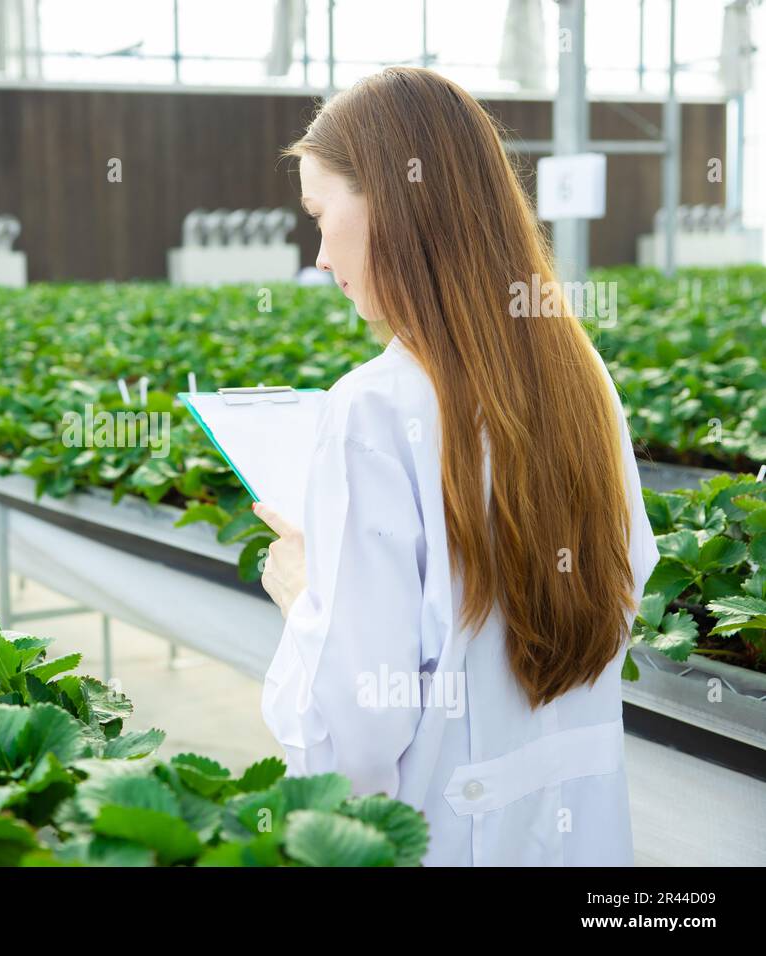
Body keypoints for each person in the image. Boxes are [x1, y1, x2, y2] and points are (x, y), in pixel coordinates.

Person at [253, 66, 660, 866]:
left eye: (320, 213)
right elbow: (626, 583)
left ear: (392, 204)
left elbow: (353, 746)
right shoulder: (581, 375)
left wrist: (307, 600)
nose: (321, 252)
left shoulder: (372, 408)